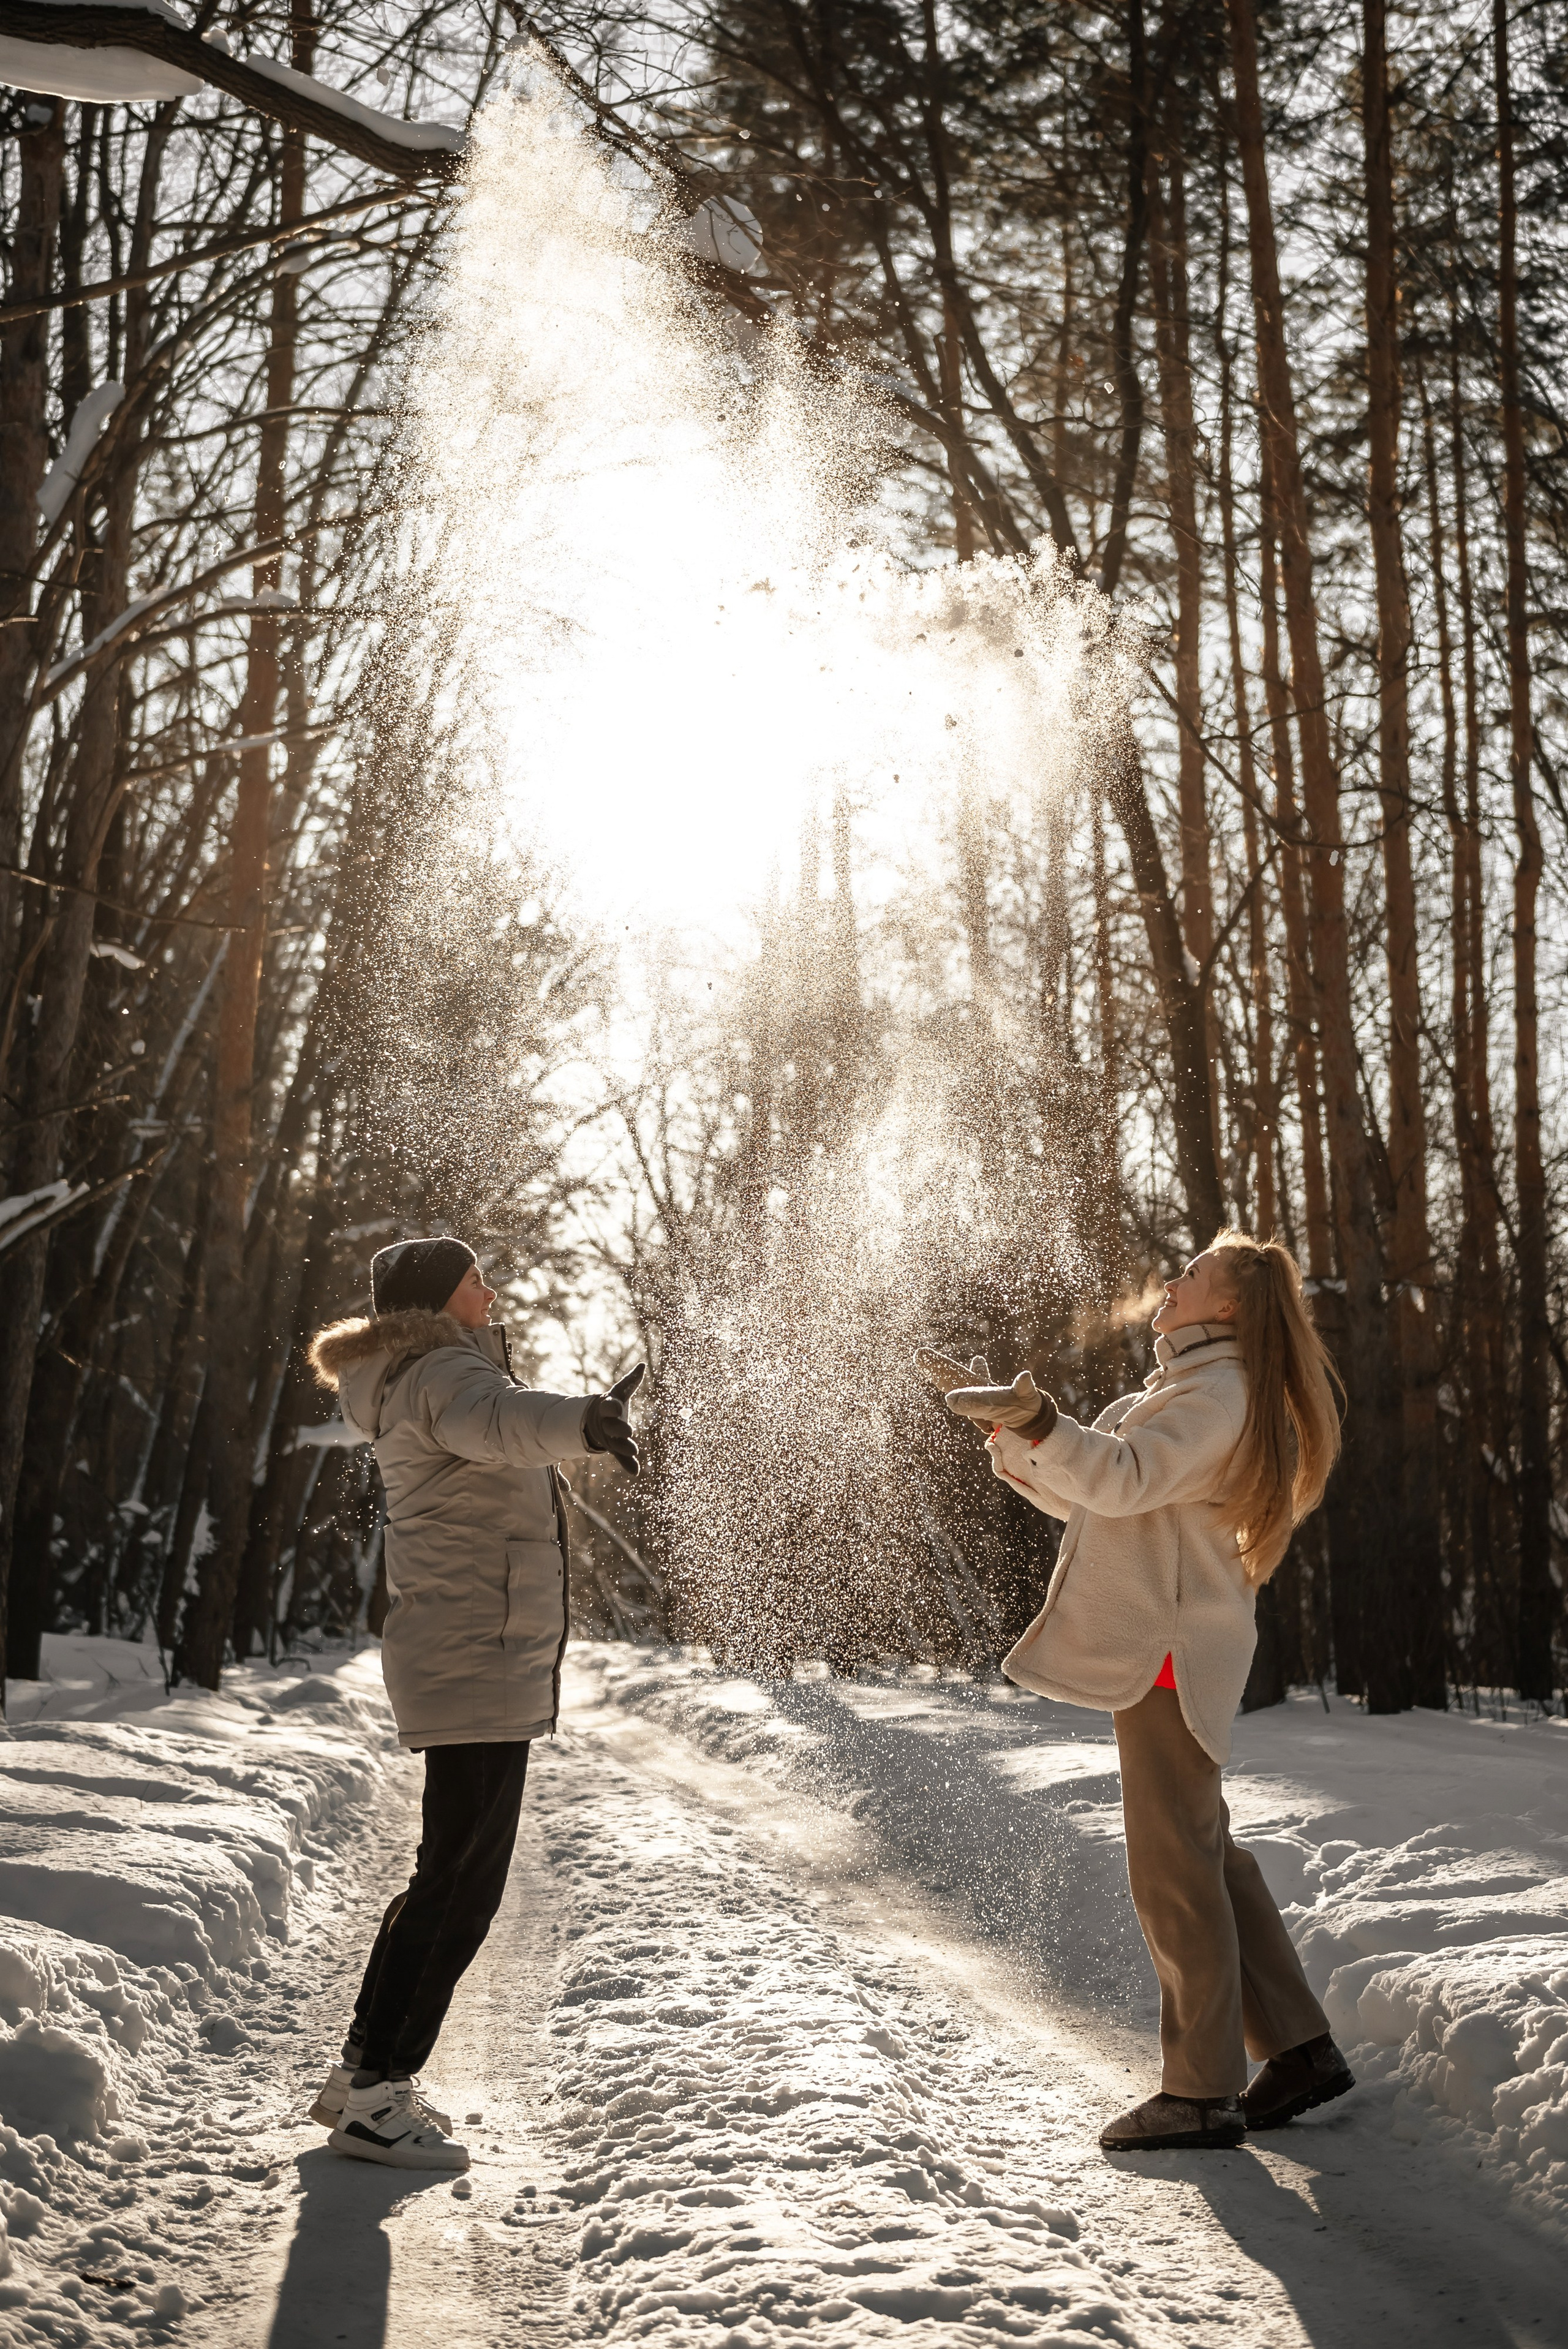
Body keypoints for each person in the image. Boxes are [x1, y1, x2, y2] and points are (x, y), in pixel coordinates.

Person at [918, 1229, 1354, 2153]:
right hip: (1171, 1633)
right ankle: (1301, 2048)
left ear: (1229, 1306)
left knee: (1173, 1866)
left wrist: (1043, 1425)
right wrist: (1017, 1431)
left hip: (1170, 1642)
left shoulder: (1217, 1394)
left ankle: (1200, 2093)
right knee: (1207, 1848)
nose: (1174, 1282)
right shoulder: (1193, 1390)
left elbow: (1116, 1481)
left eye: (1193, 1275)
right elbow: (1097, 1504)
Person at [303, 1235, 643, 2171]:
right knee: (460, 1888)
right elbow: (503, 1423)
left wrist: (575, 1421)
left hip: (469, 1649)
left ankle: (360, 2074)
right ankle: (377, 2097)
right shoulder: (443, 1375)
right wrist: (586, 1419)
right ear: (438, 1297)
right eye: (474, 1279)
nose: (489, 1290)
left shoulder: (417, 1373)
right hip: (475, 1653)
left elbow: (498, 1419)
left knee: (443, 1875)